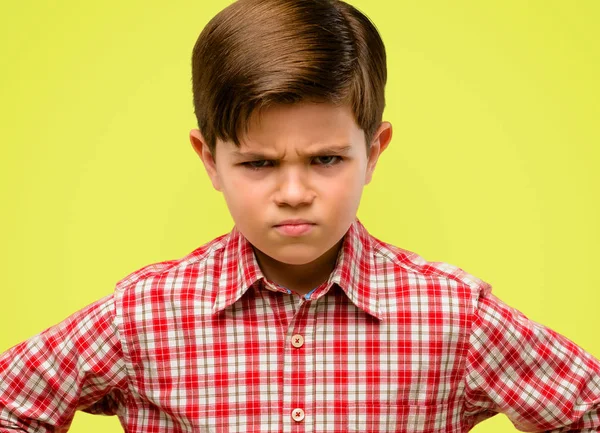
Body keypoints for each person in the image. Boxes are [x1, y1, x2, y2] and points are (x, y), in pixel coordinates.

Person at [1, 0, 599, 431]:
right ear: (209, 160)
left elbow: (586, 407)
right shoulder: (145, 314)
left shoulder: (452, 315)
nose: (293, 192)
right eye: (259, 164)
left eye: (326, 159)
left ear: (374, 152)